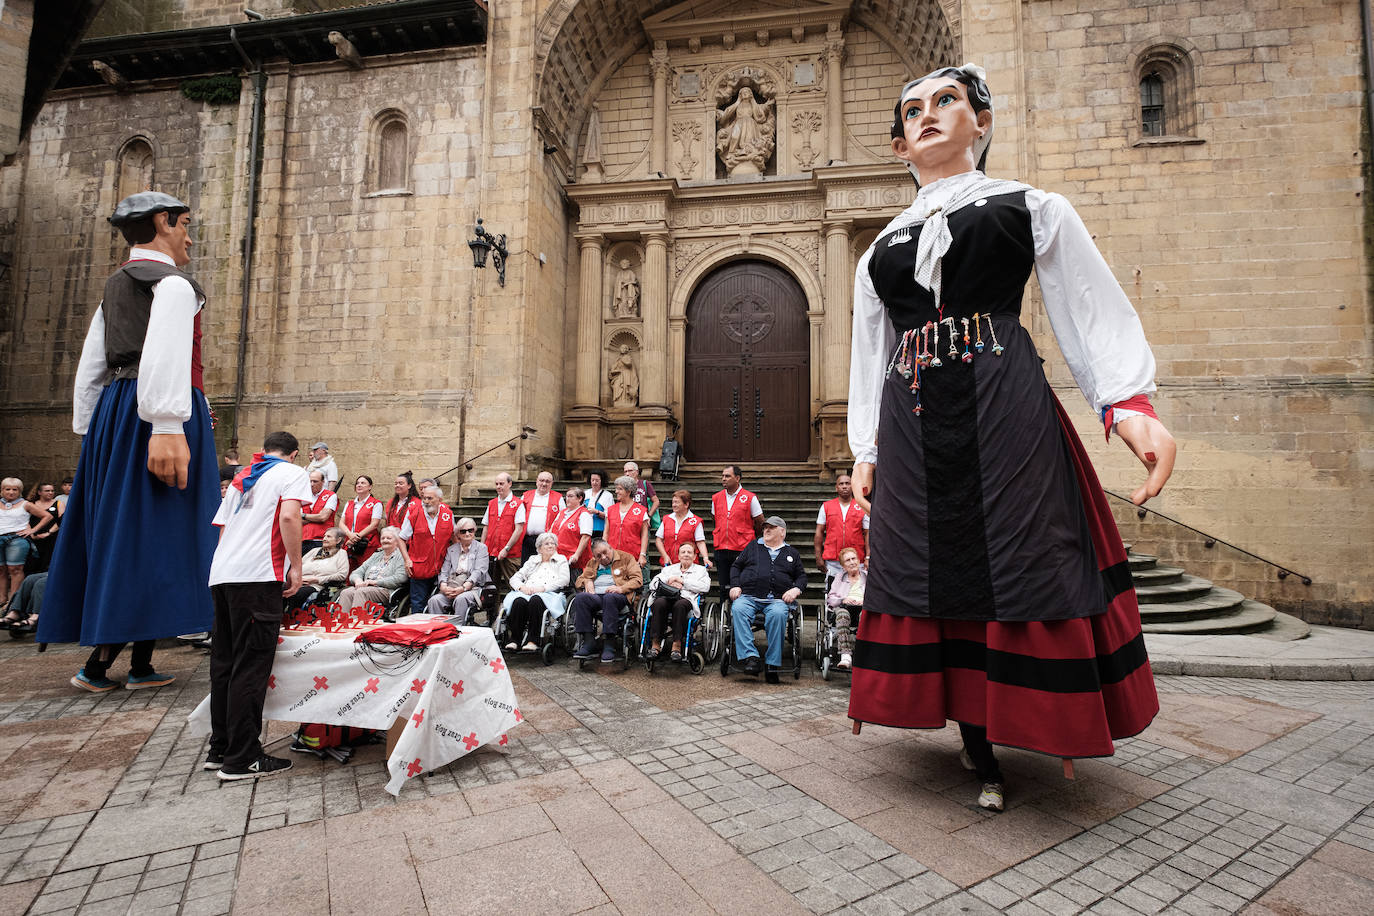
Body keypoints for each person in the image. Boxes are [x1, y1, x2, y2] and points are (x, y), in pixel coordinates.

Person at [846, 64, 1172, 812]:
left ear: (981, 123)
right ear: (901, 145)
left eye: (947, 102)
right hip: (913, 421)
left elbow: (1085, 309)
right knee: (931, 572)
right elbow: (869, 355)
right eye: (913, 110)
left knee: (1025, 556)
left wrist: (1127, 407)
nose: (928, 116)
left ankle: (1034, 716)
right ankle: (974, 738)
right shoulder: (879, 252)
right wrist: (866, 449)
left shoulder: (1029, 207)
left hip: (1005, 408)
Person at [39, 191, 219, 692]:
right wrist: (166, 426)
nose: (188, 235)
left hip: (117, 415)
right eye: (183, 224)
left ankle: (139, 664)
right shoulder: (173, 285)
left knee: (144, 532)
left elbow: (92, 364)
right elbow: (164, 354)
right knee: (155, 533)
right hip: (157, 412)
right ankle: (100, 665)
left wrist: (92, 433)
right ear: (162, 223)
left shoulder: (116, 285)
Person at [206, 430, 313, 780]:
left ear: (265, 450)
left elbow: (223, 529)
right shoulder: (291, 473)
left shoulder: (240, 478)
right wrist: (296, 567)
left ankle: (220, 747)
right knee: (251, 667)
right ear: (294, 454)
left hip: (223, 574)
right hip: (258, 576)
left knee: (225, 662)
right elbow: (289, 518)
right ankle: (241, 758)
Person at [729, 516, 806, 684]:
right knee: (738, 608)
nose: (767, 530)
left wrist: (795, 589)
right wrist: (735, 585)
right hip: (749, 596)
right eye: (765, 528)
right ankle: (751, 658)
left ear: (782, 532)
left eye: (772, 527)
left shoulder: (791, 553)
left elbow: (801, 576)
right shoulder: (753, 547)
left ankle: (772, 664)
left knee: (778, 614)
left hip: (777, 600)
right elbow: (736, 566)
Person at [570, 538, 642, 663]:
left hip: (618, 596)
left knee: (610, 597)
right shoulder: (592, 563)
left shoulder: (626, 558)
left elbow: (637, 579)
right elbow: (578, 581)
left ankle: (609, 643)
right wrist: (587, 581)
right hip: (597, 595)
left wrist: (621, 588)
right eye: (598, 556)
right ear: (594, 557)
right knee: (581, 598)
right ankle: (588, 642)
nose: (603, 557)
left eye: (605, 552)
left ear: (610, 548)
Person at [500, 532, 570, 651]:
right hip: (527, 591)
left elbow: (564, 580)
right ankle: (515, 640)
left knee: (536, 601)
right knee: (518, 601)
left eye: (553, 544)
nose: (551, 546)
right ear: (539, 548)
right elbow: (514, 578)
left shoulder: (561, 559)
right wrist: (522, 587)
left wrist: (543, 588)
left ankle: (533, 640)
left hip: (549, 594)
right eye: (547, 544)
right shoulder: (533, 560)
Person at [646, 542, 711, 662]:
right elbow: (653, 584)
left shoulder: (701, 570)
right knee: (658, 603)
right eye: (683, 552)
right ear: (679, 555)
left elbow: (705, 587)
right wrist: (669, 580)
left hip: (686, 599)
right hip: (667, 597)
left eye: (689, 552)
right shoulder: (669, 569)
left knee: (679, 605)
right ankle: (655, 644)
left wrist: (682, 581)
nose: (686, 554)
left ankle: (676, 645)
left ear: (695, 556)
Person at [710, 465, 763, 604]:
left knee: (742, 584)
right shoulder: (716, 498)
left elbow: (759, 521)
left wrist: (749, 536)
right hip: (722, 547)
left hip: (743, 548)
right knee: (723, 586)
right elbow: (715, 518)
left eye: (727, 476)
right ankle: (725, 617)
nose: (723, 479)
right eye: (722, 476)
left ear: (737, 478)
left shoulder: (750, 497)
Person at [399, 485, 454, 615]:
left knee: (438, 603)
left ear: (439, 499)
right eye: (424, 498)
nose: (426, 501)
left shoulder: (448, 514)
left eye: (430, 498)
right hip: (419, 568)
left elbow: (454, 539)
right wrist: (407, 560)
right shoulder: (414, 514)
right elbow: (401, 538)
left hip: (441, 566)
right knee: (418, 605)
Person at [425, 517, 489, 621]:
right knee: (434, 600)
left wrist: (463, 588)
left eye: (470, 530)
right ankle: (437, 630)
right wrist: (443, 586)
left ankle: (458, 630)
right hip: (452, 586)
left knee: (461, 599)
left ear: (475, 531)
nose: (467, 534)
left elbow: (478, 572)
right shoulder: (451, 550)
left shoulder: (481, 548)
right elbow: (444, 570)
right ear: (457, 534)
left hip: (472, 588)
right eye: (463, 531)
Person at [336, 527, 407, 615]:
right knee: (346, 592)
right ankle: (342, 621)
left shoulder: (401, 556)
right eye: (383, 538)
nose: (385, 540)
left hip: (385, 590)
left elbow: (401, 578)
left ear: (397, 541)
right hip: (366, 586)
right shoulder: (376, 555)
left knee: (361, 592)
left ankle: (356, 622)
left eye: (389, 538)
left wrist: (375, 582)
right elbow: (357, 572)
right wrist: (358, 580)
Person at [814, 472, 869, 579]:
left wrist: (868, 557)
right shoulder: (826, 506)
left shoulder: (861, 507)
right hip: (833, 560)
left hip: (856, 559)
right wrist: (818, 556)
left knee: (856, 592)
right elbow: (819, 532)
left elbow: (868, 534)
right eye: (841, 484)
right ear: (836, 488)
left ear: (852, 486)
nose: (844, 486)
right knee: (833, 592)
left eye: (847, 483)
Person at [285, 526, 350, 614]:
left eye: (328, 536)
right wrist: (295, 578)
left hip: (316, 585)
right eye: (324, 536)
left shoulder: (341, 554)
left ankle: (290, 618)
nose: (324, 539)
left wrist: (317, 579)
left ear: (338, 540)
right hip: (298, 582)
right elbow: (297, 566)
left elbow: (342, 575)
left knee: (298, 593)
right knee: (278, 589)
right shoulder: (314, 551)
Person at [1, 478, 40, 613]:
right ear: (2, 490)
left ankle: (13, 602)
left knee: (15, 569)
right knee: (1, 570)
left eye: (15, 489)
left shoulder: (26, 504)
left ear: (20, 491)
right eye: (8, 489)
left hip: (17, 540)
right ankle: (2, 599)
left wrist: (32, 530)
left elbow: (47, 516)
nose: (11, 492)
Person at [825, 547, 867, 670]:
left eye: (854, 558)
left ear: (859, 561)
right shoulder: (839, 577)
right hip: (844, 608)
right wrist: (843, 599)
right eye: (847, 560)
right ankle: (845, 656)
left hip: (863, 607)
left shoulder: (868, 577)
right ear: (843, 566)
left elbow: (877, 595)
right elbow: (831, 598)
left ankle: (863, 653)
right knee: (843, 614)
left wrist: (865, 601)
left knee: (865, 616)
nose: (852, 562)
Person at [481, 472, 526, 584]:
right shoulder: (492, 503)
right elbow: (486, 527)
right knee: (490, 586)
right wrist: (482, 547)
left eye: (501, 483)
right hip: (491, 551)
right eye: (496, 484)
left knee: (514, 584)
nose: (498, 487)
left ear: (509, 484)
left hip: (511, 553)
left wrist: (506, 548)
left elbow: (519, 529)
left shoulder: (518, 504)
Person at [655, 489, 710, 570]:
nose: (673, 505)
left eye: (677, 502)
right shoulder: (667, 519)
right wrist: (665, 556)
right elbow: (659, 540)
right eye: (673, 502)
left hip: (689, 565)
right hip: (668, 564)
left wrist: (705, 558)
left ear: (686, 504)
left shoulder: (695, 521)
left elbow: (700, 542)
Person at [604, 476, 649, 568]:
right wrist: (603, 551)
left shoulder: (641, 511)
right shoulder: (610, 510)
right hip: (612, 555)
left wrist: (642, 554)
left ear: (628, 491)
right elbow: (606, 532)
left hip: (632, 556)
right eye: (616, 489)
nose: (616, 491)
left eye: (620, 489)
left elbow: (644, 535)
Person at [339, 475, 383, 569]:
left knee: (365, 571)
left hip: (367, 543)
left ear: (370, 487)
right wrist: (350, 535)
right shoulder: (349, 503)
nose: (359, 485)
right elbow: (341, 523)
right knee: (349, 572)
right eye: (357, 483)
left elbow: (374, 524)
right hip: (349, 543)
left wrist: (356, 537)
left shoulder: (376, 503)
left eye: (363, 483)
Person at [519, 471, 563, 561]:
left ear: (552, 483)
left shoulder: (558, 498)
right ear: (536, 481)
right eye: (541, 480)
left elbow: (562, 519)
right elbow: (518, 517)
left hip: (547, 541)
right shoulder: (526, 495)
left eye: (547, 481)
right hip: (527, 540)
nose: (544, 484)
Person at [551, 487, 593, 571]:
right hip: (558, 557)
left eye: (570, 496)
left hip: (575, 561)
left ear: (580, 498)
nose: (567, 499)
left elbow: (585, 537)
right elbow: (551, 531)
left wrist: (577, 555)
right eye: (566, 496)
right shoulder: (562, 512)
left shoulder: (584, 514)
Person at [24, 482, 61, 572]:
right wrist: (31, 532)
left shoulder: (59, 503)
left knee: (47, 562)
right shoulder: (30, 504)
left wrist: (48, 533)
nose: (51, 493)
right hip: (33, 538)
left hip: (51, 538)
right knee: (31, 563)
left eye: (52, 491)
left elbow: (61, 521)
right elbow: (24, 519)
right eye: (47, 491)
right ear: (39, 492)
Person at [299, 470, 338, 552]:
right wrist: (315, 517)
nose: (312, 484)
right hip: (303, 540)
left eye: (315, 481)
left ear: (323, 482)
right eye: (310, 481)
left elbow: (323, 517)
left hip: (321, 540)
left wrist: (303, 515)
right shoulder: (303, 496)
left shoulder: (331, 496)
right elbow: (297, 520)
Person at [583, 469, 614, 537]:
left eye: (597, 480)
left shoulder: (607, 495)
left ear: (602, 481)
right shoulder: (585, 493)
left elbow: (611, 515)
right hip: (585, 528)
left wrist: (597, 512)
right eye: (592, 480)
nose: (594, 482)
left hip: (600, 529)